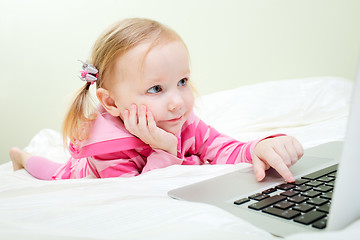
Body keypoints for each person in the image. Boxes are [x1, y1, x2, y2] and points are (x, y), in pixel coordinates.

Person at [9, 18, 303, 182]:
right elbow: (139, 193)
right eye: (156, 89)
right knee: (55, 173)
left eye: (182, 82)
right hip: (79, 171)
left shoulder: (182, 121)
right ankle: (22, 156)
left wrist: (259, 147)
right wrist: (165, 149)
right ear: (111, 103)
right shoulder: (109, 152)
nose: (177, 102)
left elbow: (222, 148)